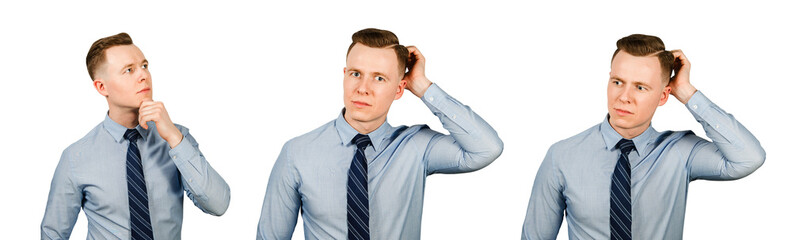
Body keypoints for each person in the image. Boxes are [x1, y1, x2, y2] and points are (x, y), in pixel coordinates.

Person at [257, 28, 504, 239]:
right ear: (344, 76)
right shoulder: (297, 153)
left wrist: (423, 87)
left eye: (379, 78)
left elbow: (486, 148)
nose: (362, 89)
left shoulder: (416, 147)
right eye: (356, 74)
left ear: (399, 90)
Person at [521, 34, 765, 240]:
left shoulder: (680, 152)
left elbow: (748, 158)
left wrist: (688, 93)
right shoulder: (562, 156)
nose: (624, 97)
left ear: (663, 96)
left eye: (640, 87)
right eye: (617, 82)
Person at [41, 32, 231, 240]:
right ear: (101, 87)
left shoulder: (176, 138)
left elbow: (218, 204)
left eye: (145, 66)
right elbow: (53, 234)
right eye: (129, 70)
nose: (143, 75)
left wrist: (174, 138)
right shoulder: (75, 158)